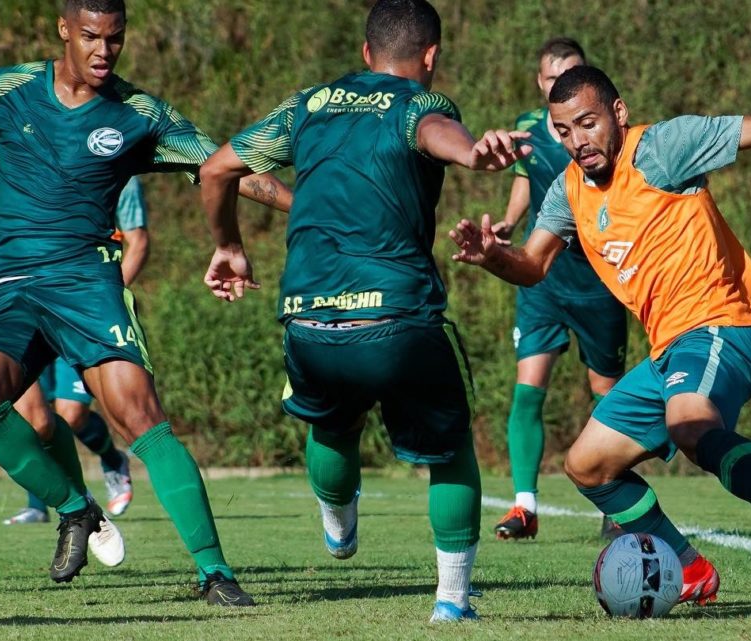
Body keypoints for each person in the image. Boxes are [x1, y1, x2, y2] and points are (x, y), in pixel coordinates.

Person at [450, 65, 751, 605]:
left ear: (618, 114)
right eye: (564, 131)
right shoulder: (568, 192)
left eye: (588, 123)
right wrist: (492, 258)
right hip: (668, 351)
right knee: (587, 465)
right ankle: (688, 566)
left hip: (720, 324)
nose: (578, 142)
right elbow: (532, 266)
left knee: (689, 426)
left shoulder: (661, 149)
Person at [0, 0, 288, 604]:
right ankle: (78, 510)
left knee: (140, 414)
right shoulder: (6, 89)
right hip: (7, 287)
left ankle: (216, 575)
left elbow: (226, 167)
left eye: (116, 39)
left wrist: (315, 208)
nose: (104, 50)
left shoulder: (140, 113)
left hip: (85, 280)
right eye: (91, 37)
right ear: (64, 32)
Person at [199, 0, 530, 622]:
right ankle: (452, 603)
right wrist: (473, 155)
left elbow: (218, 168)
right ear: (430, 57)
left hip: (307, 320)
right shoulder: (423, 104)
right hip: (396, 320)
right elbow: (438, 137)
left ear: (365, 53)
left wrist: (229, 246)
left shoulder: (309, 106)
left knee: (331, 421)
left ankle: (339, 524)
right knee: (448, 447)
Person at [488, 37, 628, 542]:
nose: (558, 85)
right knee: (529, 388)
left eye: (569, 74)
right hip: (542, 281)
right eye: (550, 79)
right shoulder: (527, 130)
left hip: (598, 283)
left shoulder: (602, 132)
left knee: (606, 394)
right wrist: (507, 223)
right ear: (539, 83)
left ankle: (616, 496)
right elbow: (527, 179)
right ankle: (524, 507)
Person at [5, 176, 149, 525]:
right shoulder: (33, 166)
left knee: (70, 415)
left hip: (86, 311)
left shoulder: (122, 176)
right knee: (32, 413)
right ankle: (38, 505)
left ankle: (112, 459)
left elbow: (139, 242)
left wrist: (105, 296)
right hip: (36, 306)